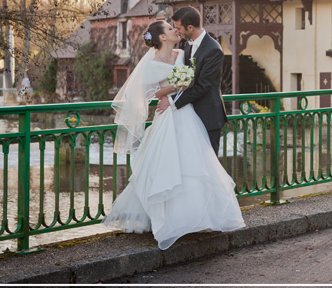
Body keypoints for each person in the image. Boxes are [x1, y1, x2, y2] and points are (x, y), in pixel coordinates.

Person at [102, 20, 244, 250]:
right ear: (161, 38)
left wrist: (184, 83)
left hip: (187, 113)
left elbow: (196, 77)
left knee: (195, 163)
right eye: (169, 29)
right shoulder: (152, 62)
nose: (174, 30)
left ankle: (197, 218)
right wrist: (177, 84)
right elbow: (155, 92)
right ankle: (169, 218)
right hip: (167, 115)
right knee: (167, 164)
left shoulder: (182, 52)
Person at [156, 6, 227, 155]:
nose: (177, 31)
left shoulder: (213, 50)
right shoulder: (187, 44)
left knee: (209, 165)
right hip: (190, 116)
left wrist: (171, 101)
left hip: (208, 116)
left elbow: (203, 86)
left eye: (179, 27)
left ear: (190, 27)